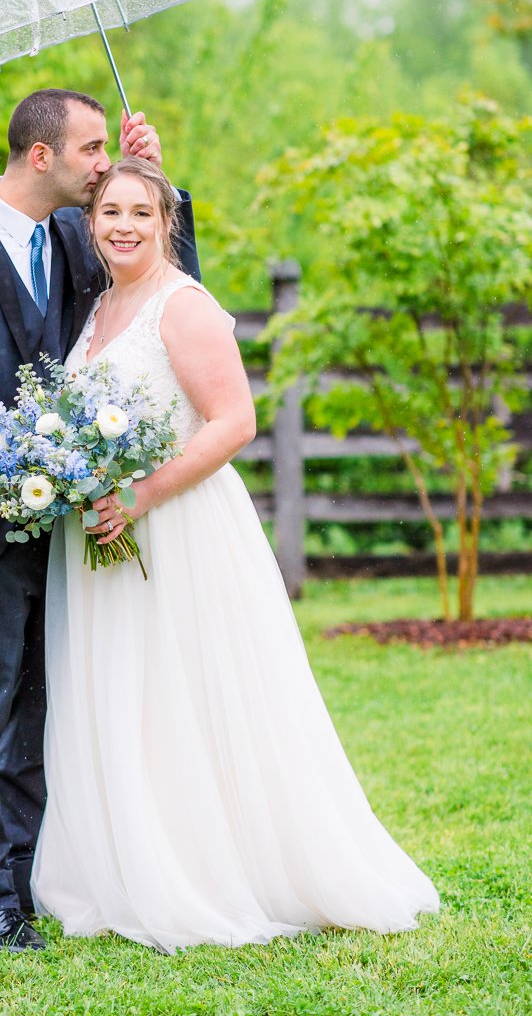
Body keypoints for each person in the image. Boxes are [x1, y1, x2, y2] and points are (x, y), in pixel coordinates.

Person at [31, 157, 440, 954]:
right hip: (104, 534)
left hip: (177, 529)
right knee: (127, 696)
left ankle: (212, 870)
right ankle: (131, 863)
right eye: (109, 211)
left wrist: (143, 492)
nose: (122, 225)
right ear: (89, 224)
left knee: (189, 693)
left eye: (141, 214)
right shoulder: (104, 306)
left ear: (167, 222)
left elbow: (234, 421)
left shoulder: (183, 307)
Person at [0, 91, 200, 953]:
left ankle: (28, 875)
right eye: (94, 150)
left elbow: (172, 295)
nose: (105, 165)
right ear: (41, 156)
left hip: (71, 527)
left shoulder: (76, 240)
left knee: (51, 706)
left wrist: (161, 178)